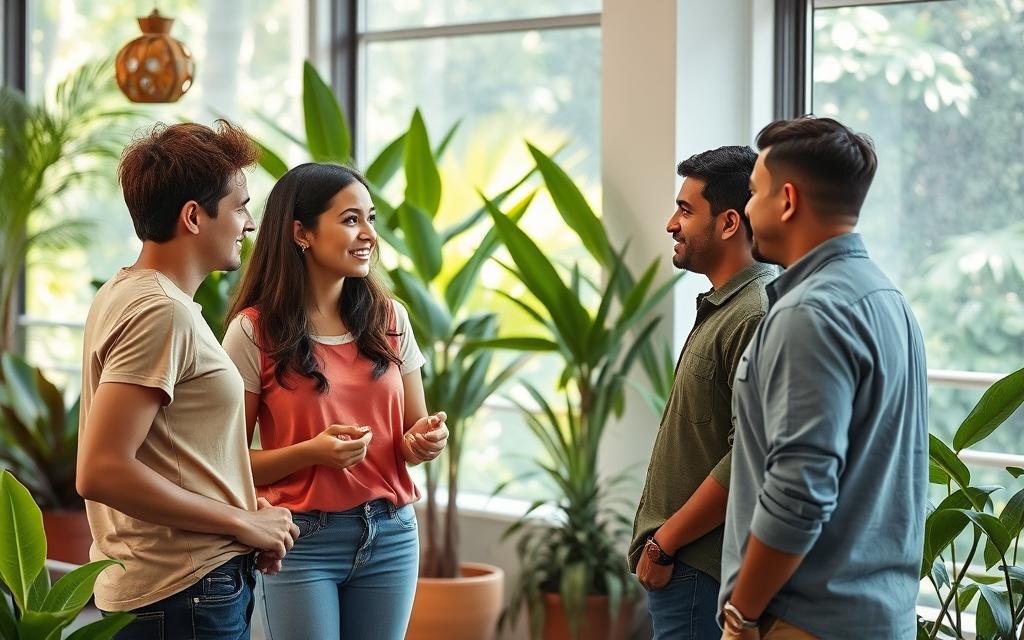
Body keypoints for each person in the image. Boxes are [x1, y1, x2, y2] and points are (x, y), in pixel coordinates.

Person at [76, 120, 299, 640]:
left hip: (182, 586)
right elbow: (102, 470)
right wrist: (240, 523)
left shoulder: (128, 292)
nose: (249, 224)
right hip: (182, 593)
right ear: (194, 216)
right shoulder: (161, 312)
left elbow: (170, 449)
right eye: (241, 205)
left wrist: (243, 507)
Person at [718, 116, 927, 640]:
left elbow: (799, 495)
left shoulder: (808, 313)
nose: (746, 208)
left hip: (802, 622)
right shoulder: (888, 301)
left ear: (786, 200)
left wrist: (741, 617)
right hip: (878, 618)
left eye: (753, 192)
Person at [221, 162, 449, 640]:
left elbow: (410, 435)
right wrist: (312, 453)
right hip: (302, 541)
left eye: (370, 218)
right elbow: (227, 464)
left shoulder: (391, 319)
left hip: (390, 533)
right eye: (350, 220)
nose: (368, 234)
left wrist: (424, 440)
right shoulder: (252, 332)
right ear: (301, 232)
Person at [628, 146, 775, 639]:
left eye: (686, 210)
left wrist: (664, 544)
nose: (672, 223)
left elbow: (748, 455)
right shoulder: (728, 305)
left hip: (698, 572)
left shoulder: (755, 313)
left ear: (730, 222)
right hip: (688, 571)